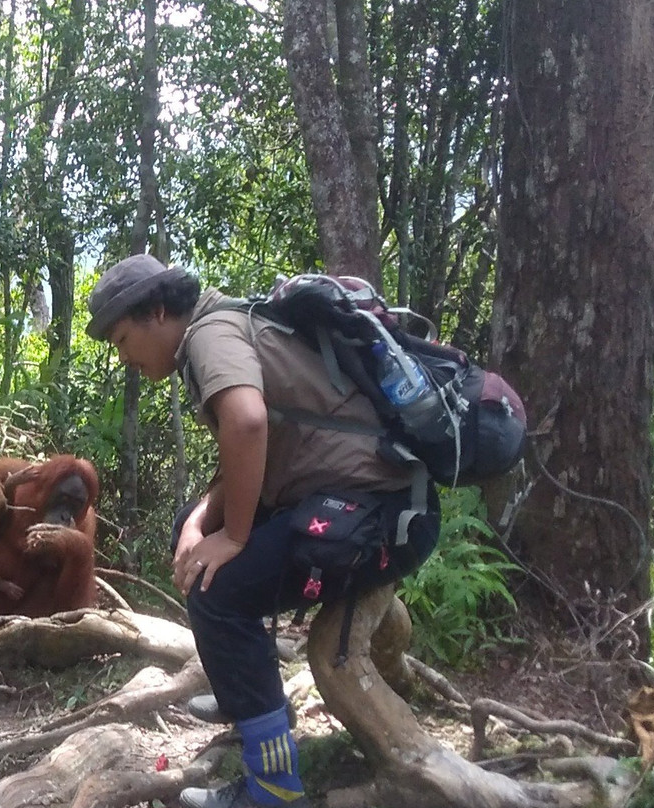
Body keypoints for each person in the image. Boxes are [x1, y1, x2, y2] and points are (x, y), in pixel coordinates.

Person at [86, 254, 440, 808]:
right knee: (195, 531)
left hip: (381, 516)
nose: (125, 357)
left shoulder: (209, 337)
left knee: (219, 592)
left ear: (157, 312)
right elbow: (254, 448)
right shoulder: (227, 322)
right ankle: (251, 696)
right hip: (372, 504)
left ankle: (273, 787)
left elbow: (247, 422)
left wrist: (234, 538)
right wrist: (204, 521)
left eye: (124, 339)